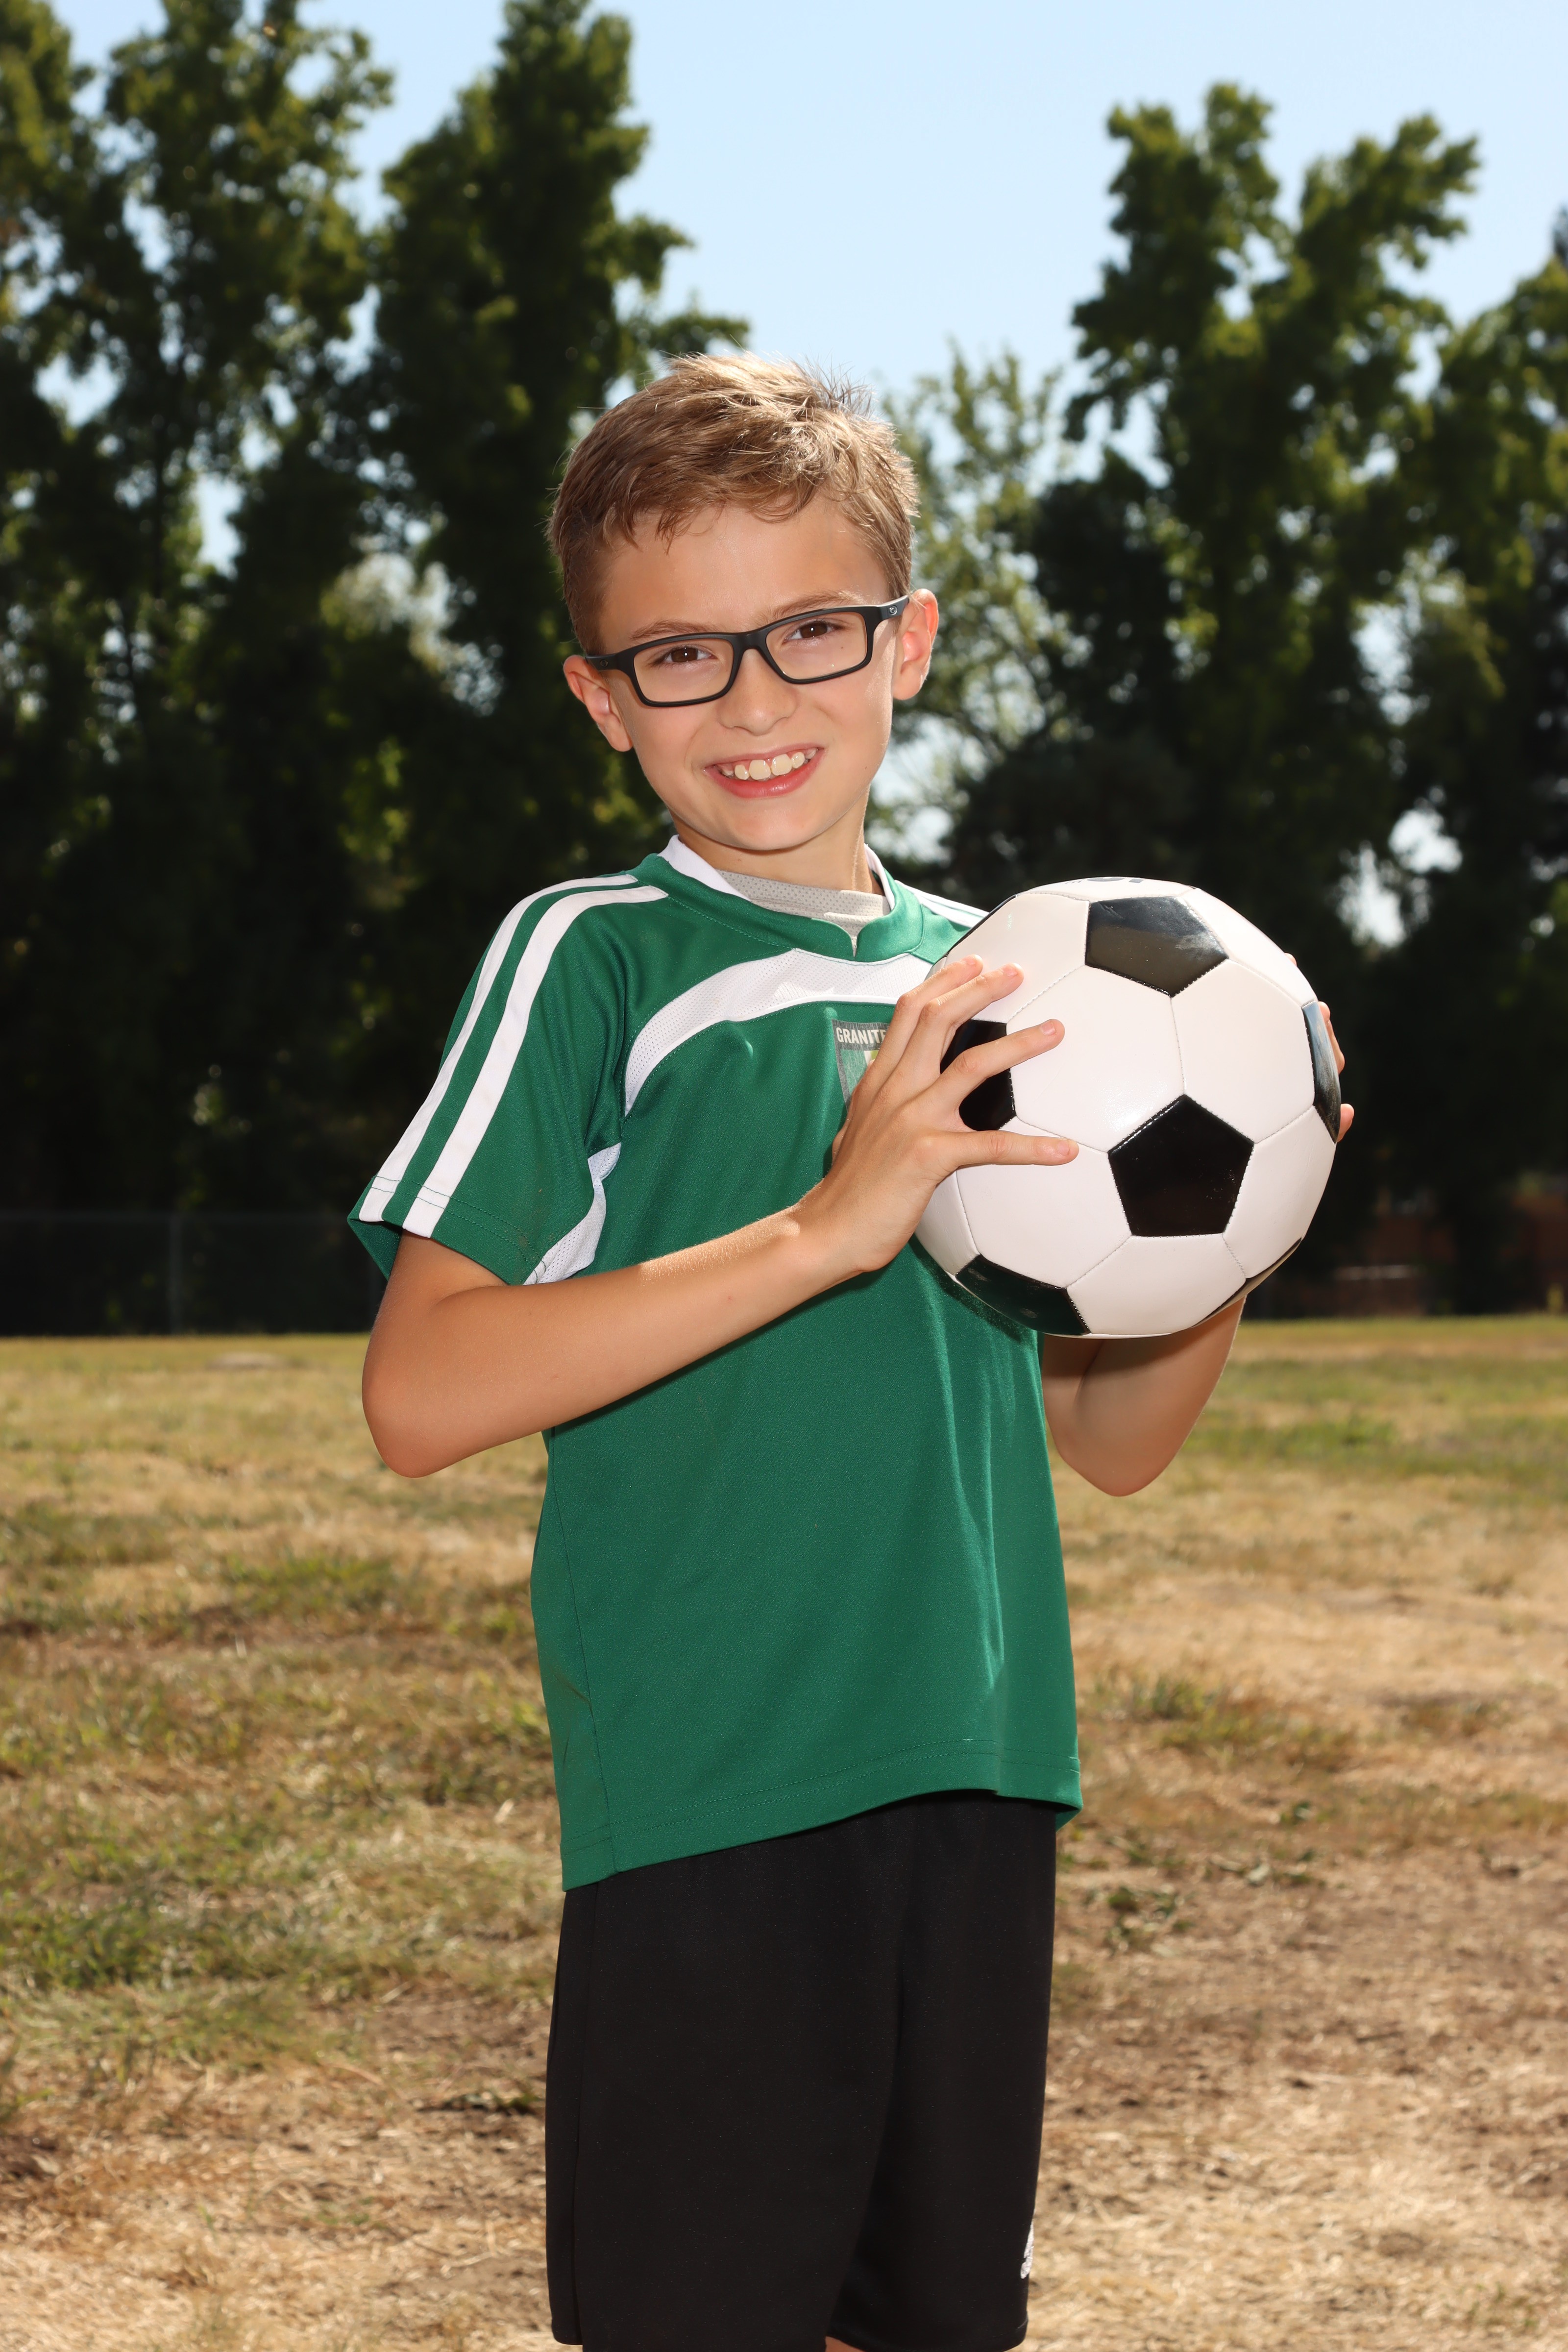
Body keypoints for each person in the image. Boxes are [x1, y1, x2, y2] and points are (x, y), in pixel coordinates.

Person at [351, 355, 1350, 2352]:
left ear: (905, 642)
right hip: (720, 1784)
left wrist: (1243, 1213)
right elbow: (422, 1393)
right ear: (600, 696)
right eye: (680, 656)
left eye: (809, 632)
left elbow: (1111, 1440)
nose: (751, 702)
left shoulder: (1014, 978)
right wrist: (827, 1225)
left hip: (978, 1765)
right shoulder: (596, 955)